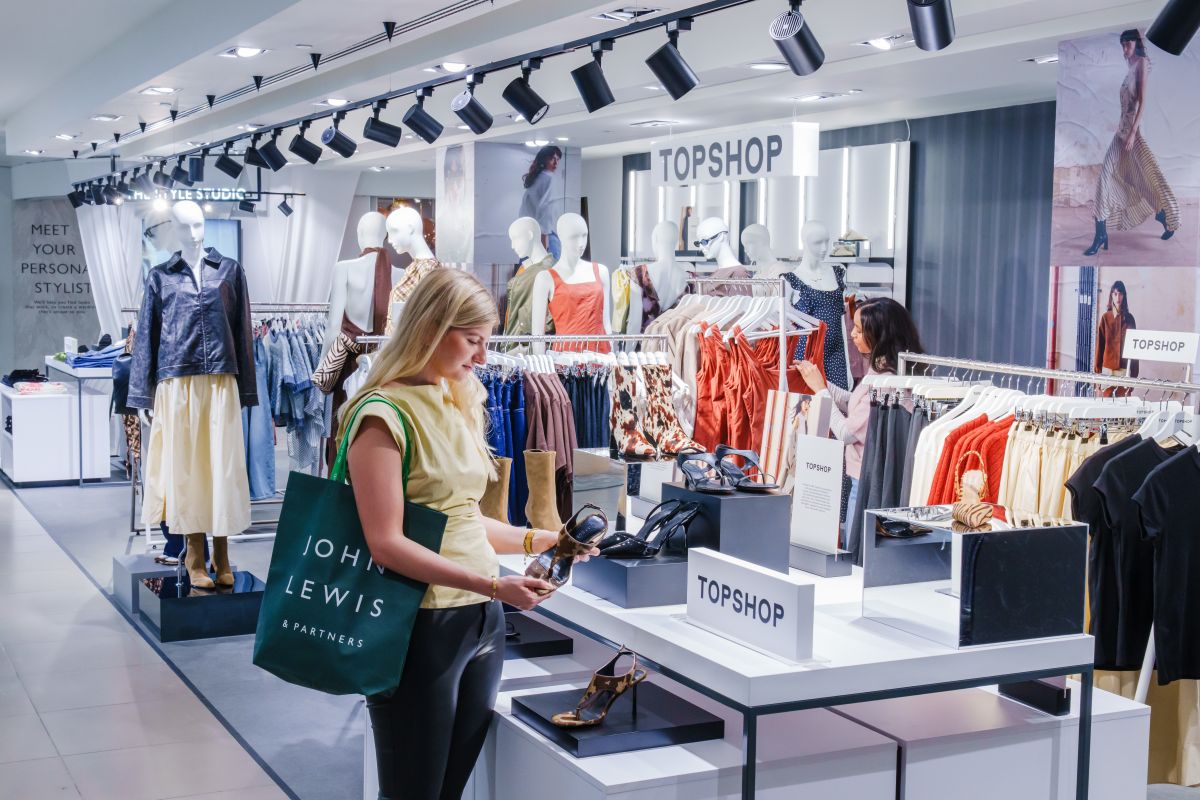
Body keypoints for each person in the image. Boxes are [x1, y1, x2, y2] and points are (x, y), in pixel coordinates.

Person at [341, 268, 594, 800]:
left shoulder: (456, 400)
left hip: (482, 622)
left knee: (451, 788)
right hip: (422, 625)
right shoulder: (381, 415)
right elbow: (385, 542)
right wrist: (494, 587)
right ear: (432, 326)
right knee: (413, 792)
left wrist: (539, 540)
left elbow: (458, 518)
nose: (482, 358)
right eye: (473, 341)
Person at [795, 297, 924, 537]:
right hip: (863, 476)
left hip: (865, 481)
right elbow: (856, 403)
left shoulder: (887, 383)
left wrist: (821, 391)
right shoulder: (881, 370)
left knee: (857, 548)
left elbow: (846, 433)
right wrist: (820, 383)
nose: (852, 334)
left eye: (859, 330)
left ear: (879, 335)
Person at [1084, 29, 1180, 256]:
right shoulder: (1129, 68)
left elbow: (1142, 103)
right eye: (1122, 45)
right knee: (1106, 179)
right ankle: (1100, 234)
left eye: (1128, 44)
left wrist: (1133, 133)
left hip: (1131, 135)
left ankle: (1164, 216)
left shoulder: (1142, 64)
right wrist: (1123, 132)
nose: (1124, 50)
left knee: (1143, 180)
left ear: (1137, 44)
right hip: (1121, 133)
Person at [518, 145, 563, 261]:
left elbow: (524, 212)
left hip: (528, 237)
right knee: (552, 276)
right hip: (546, 237)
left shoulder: (533, 180)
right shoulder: (549, 178)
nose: (556, 163)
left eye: (558, 159)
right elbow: (546, 212)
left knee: (527, 276)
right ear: (544, 159)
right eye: (553, 159)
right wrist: (544, 243)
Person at [1095, 279, 1138, 397]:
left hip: (1124, 371)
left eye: (1120, 294)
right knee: (1105, 409)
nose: (1118, 297)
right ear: (1111, 296)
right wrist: (1098, 375)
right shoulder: (1105, 318)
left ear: (1124, 296)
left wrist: (1134, 377)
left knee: (1123, 411)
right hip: (1107, 370)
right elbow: (1100, 347)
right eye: (1115, 294)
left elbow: (1134, 351)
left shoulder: (1130, 319)